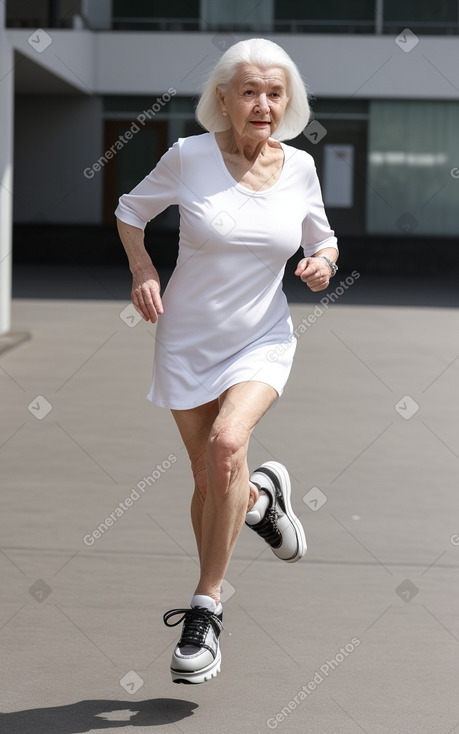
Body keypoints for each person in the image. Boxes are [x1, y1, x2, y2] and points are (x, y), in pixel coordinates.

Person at [115, 37, 338, 685]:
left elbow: (320, 238)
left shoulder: (297, 169)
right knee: (214, 480)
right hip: (185, 337)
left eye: (274, 92)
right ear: (223, 99)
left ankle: (204, 610)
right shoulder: (187, 157)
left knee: (226, 443)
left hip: (260, 337)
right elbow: (131, 212)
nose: (262, 103)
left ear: (286, 100)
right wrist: (142, 268)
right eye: (248, 91)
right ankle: (262, 499)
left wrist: (320, 264)